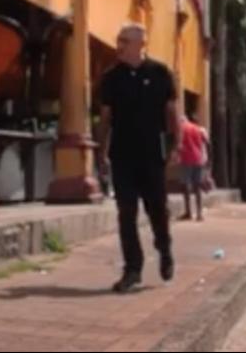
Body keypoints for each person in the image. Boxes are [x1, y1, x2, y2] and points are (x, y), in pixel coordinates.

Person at [98, 22, 181, 294]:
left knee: (157, 209)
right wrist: (101, 152)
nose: (118, 44)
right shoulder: (111, 77)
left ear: (139, 44)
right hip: (122, 155)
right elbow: (106, 118)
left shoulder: (160, 73)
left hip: (151, 155)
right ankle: (132, 268)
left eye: (124, 40)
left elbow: (172, 113)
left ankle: (164, 248)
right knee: (126, 213)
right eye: (118, 39)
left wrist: (175, 147)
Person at [178, 110, 210, 222]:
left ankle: (188, 212)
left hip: (186, 159)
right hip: (198, 159)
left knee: (185, 186)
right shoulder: (198, 129)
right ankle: (199, 213)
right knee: (197, 187)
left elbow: (178, 144)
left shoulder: (181, 129)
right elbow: (206, 142)